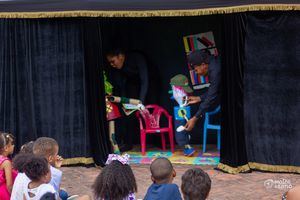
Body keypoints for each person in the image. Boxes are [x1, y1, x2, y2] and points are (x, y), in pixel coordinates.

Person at [106, 48, 159, 152]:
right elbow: (123, 86)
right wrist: (126, 103)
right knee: (129, 112)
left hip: (150, 82)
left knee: (151, 110)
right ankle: (128, 143)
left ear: (120, 56)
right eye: (110, 63)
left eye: (113, 61)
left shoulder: (137, 58)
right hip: (134, 84)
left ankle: (157, 141)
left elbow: (145, 79)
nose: (112, 64)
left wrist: (141, 101)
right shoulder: (118, 68)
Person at [184, 50, 220, 132]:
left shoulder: (215, 71)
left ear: (203, 65)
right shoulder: (214, 65)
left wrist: (195, 118)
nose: (196, 73)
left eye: (196, 70)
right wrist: (199, 98)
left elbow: (212, 96)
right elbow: (214, 90)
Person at [0, 132, 17, 199]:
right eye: (12, 144)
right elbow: (9, 185)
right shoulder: (6, 162)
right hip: (3, 193)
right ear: (6, 148)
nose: (14, 145)